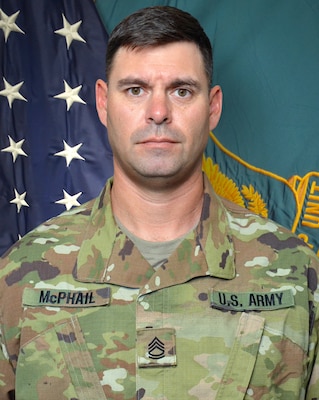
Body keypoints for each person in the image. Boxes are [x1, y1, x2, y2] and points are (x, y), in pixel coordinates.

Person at [0, 5, 318, 400]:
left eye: (181, 91)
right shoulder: (19, 278)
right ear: (102, 103)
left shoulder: (298, 275)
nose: (158, 113)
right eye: (135, 90)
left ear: (213, 107)